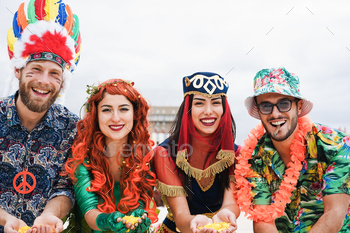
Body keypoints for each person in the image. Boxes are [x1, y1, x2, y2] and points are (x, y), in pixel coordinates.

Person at [235, 67, 350, 233]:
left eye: (284, 104)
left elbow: (334, 213)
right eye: (266, 106)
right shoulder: (253, 158)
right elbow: (263, 221)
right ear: (259, 111)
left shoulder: (336, 146)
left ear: (299, 105)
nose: (275, 114)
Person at [0, 0, 82, 232]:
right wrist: (5, 219)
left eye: (54, 73)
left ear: (62, 81)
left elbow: (66, 186)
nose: (44, 81)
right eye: (36, 69)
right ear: (18, 70)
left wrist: (49, 214)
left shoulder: (73, 128)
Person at [65, 79, 158, 232]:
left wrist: (141, 215)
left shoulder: (144, 155)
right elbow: (89, 212)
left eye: (123, 109)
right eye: (107, 110)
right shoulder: (82, 156)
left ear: (135, 114)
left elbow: (142, 202)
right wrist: (107, 221)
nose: (115, 118)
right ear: (95, 115)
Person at [153, 72, 241, 233]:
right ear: (187, 109)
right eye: (199, 103)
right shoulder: (164, 153)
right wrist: (195, 223)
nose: (208, 111)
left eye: (215, 103)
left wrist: (226, 214)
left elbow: (231, 203)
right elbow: (181, 215)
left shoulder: (236, 153)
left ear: (224, 109)